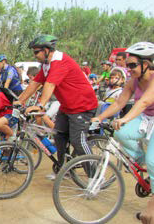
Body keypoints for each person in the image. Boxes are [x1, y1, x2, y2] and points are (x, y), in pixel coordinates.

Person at [16, 34, 98, 179]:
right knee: (59, 137)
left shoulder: (60, 62)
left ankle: (96, 176)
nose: (34, 55)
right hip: (67, 107)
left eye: (36, 52)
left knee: (77, 140)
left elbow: (50, 84)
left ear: (47, 50)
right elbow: (35, 83)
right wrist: (19, 100)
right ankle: (65, 170)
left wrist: (40, 105)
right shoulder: (47, 65)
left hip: (82, 106)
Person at [91, 42, 154, 223]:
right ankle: (142, 162)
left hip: (147, 115)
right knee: (120, 135)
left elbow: (143, 103)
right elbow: (119, 103)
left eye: (133, 65)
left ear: (146, 64)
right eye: (128, 65)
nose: (129, 69)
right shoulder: (133, 81)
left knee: (153, 161)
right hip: (146, 119)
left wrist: (125, 119)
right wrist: (100, 118)